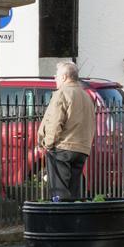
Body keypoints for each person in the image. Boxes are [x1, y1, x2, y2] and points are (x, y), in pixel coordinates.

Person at [38, 61, 97, 202]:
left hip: (62, 148)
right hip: (81, 149)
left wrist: (48, 144)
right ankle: (73, 221)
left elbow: (54, 122)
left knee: (59, 193)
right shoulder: (86, 96)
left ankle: (60, 221)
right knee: (73, 191)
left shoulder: (62, 94)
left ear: (64, 77)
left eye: (56, 76)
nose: (55, 78)